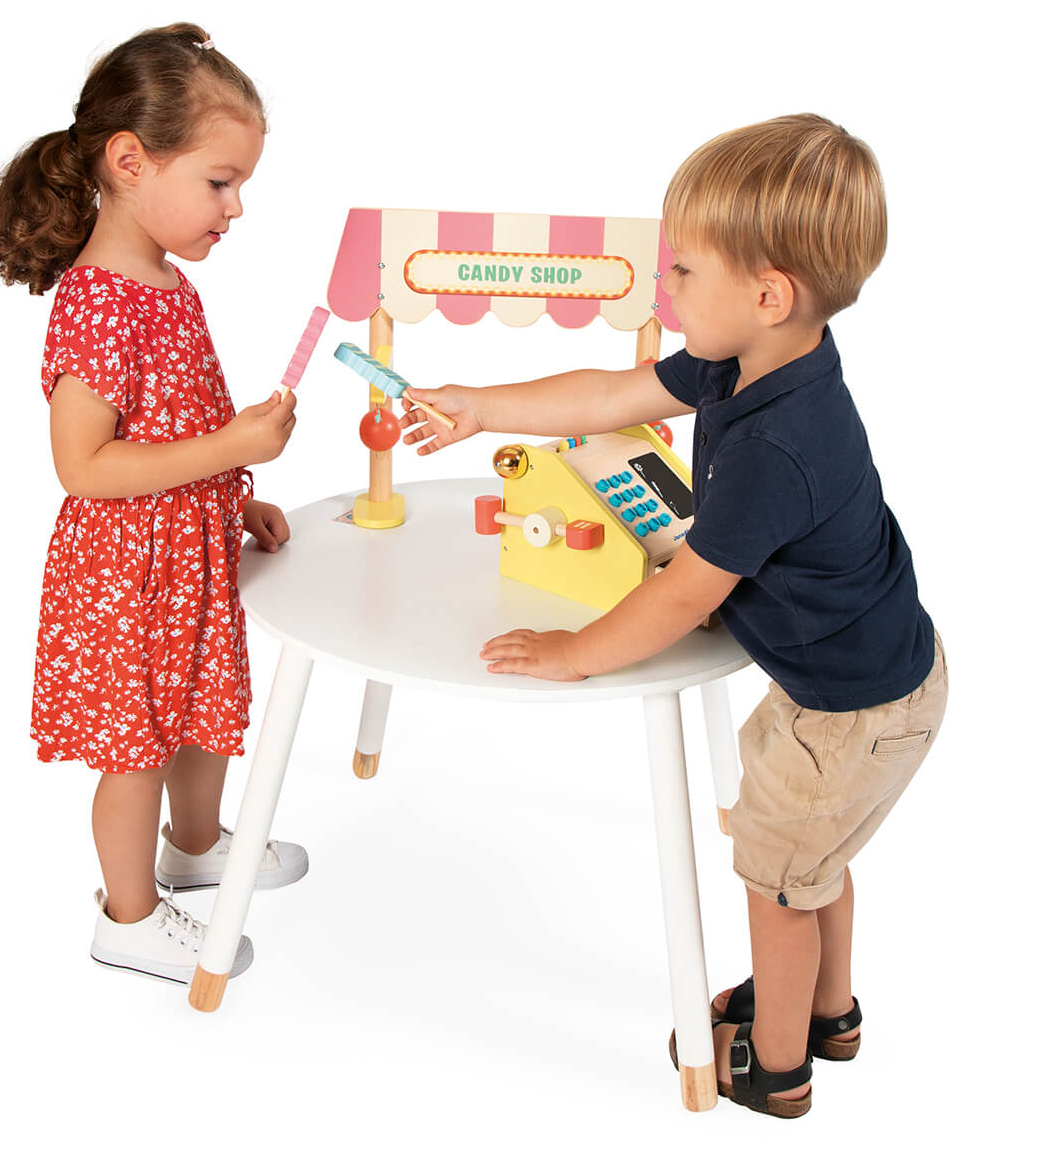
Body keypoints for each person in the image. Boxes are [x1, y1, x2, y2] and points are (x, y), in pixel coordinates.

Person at [397, 114, 947, 1118]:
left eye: (684, 270)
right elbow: (609, 394)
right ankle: (830, 1011)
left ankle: (776, 1067)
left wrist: (576, 651)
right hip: (862, 677)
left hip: (851, 710)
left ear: (768, 294)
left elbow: (688, 589)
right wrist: (484, 405)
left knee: (778, 885)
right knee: (814, 863)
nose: (665, 286)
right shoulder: (755, 361)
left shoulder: (779, 442)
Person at [0, 23, 308, 985]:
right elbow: (82, 465)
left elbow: (171, 426)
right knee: (137, 750)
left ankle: (194, 848)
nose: (236, 207)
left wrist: (233, 496)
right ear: (130, 162)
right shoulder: (100, 300)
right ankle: (129, 918)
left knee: (204, 710)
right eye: (220, 181)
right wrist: (230, 448)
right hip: (126, 572)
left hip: (186, 551)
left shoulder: (167, 283)